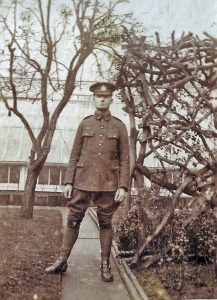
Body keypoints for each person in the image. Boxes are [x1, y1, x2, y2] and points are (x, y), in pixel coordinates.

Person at [46, 82, 130, 282]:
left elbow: (125, 159)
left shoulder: (119, 126)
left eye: (106, 96)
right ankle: (62, 260)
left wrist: (123, 185)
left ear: (111, 99)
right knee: (74, 219)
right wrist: (68, 182)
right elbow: (74, 155)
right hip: (82, 181)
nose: (102, 99)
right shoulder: (85, 124)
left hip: (108, 182)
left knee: (106, 222)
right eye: (98, 96)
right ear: (94, 98)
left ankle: (104, 265)